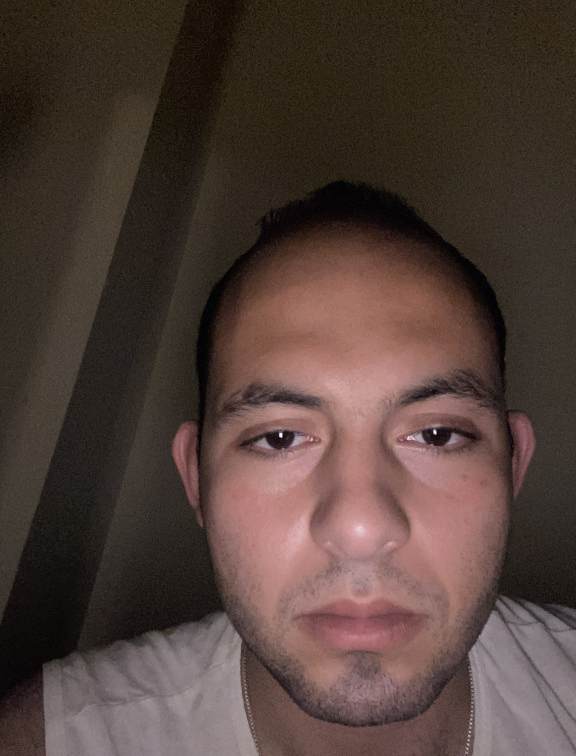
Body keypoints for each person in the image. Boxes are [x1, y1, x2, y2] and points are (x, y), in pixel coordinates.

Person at [1, 181, 575, 755]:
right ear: (196, 479)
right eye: (279, 439)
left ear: (514, 464)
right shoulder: (51, 740)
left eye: (437, 435)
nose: (360, 528)